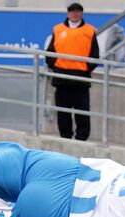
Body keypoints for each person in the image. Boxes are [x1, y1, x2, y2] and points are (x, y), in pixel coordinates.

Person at [46, 2, 99, 141]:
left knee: (82, 111)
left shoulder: (89, 31)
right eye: (72, 11)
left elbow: (95, 55)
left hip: (81, 79)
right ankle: (65, 137)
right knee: (63, 112)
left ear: (82, 13)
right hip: (62, 78)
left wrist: (85, 68)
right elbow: (50, 53)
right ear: (68, 13)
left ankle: (82, 138)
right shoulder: (58, 29)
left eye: (78, 11)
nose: (75, 14)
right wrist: (56, 68)